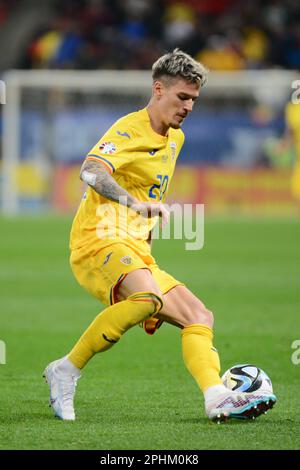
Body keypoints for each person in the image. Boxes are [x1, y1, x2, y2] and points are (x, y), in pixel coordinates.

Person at [44, 49, 276, 423]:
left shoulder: (174, 138)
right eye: (182, 97)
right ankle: (66, 369)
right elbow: (90, 171)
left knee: (199, 315)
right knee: (146, 297)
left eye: (193, 100)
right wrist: (132, 203)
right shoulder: (129, 128)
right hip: (97, 240)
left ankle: (216, 396)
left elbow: (152, 195)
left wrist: (145, 235)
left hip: (134, 248)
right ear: (158, 90)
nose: (188, 107)